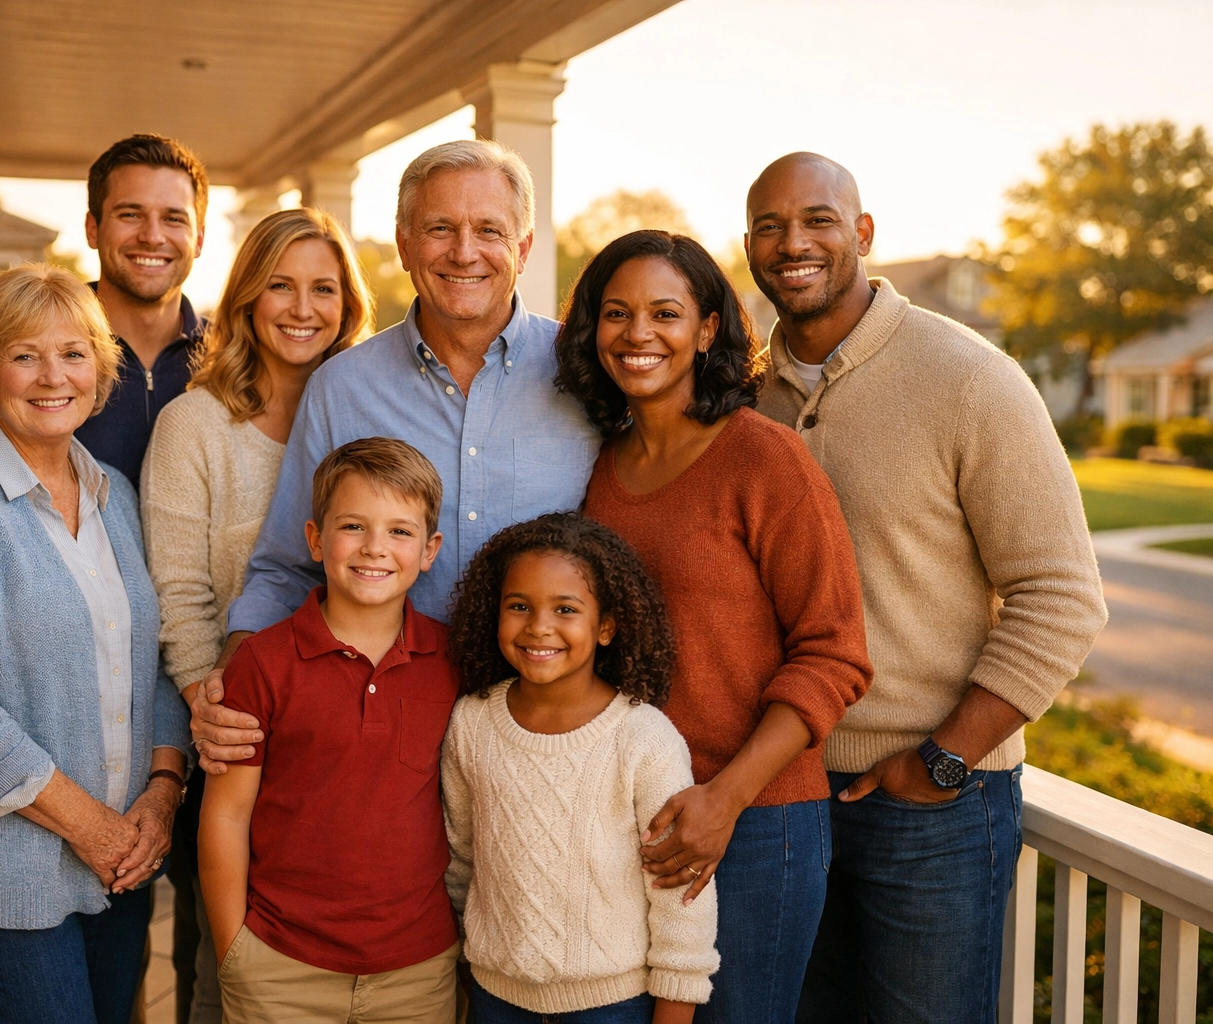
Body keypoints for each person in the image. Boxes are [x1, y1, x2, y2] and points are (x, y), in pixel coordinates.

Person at [737, 153, 1107, 1023]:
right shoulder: (746, 393)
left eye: (819, 219)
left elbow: (1062, 596)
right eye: (769, 225)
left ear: (863, 234)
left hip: (934, 808)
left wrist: (943, 759)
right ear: (748, 246)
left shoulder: (970, 379)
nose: (793, 243)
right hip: (784, 799)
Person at [189, 138, 600, 770]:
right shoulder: (342, 387)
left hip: (552, 735)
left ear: (522, 247)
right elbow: (287, 567)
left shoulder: (589, 373)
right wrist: (232, 685)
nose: (465, 251)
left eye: (489, 230)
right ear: (405, 244)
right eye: (440, 228)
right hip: (382, 736)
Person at [555, 230, 873, 1023]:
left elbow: (835, 655)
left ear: (706, 330)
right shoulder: (598, 467)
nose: (638, 334)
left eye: (666, 312)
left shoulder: (764, 460)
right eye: (617, 313)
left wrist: (724, 800)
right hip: (630, 816)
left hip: (758, 822)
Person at [0, 265, 190, 1024]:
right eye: (24, 355)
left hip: (119, 865)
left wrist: (162, 791)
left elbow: (151, 662)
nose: (53, 376)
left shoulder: (115, 494)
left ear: (101, 369)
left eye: (75, 353)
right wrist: (94, 828)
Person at [140, 207, 374, 1022]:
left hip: (359, 745)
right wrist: (213, 698)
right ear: (244, 298)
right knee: (225, 961)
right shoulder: (196, 425)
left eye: (323, 288)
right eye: (280, 286)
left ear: (349, 303)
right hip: (237, 738)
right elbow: (179, 590)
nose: (302, 308)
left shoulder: (370, 422)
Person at [199, 438, 460, 1024]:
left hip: (416, 970)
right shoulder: (263, 663)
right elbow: (226, 814)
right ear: (316, 539)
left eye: (400, 531)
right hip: (280, 965)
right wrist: (233, 952)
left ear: (429, 550)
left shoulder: (450, 663)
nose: (375, 548)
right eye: (353, 526)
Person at [443, 512, 720, 1024]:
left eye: (565, 608)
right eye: (519, 606)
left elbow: (682, 895)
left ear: (607, 627)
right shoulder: (472, 721)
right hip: (494, 999)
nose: (539, 626)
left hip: (614, 1006)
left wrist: (674, 1010)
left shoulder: (644, 738)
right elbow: (462, 856)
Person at [0, 133, 209, 487]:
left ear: (198, 239)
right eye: (131, 214)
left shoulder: (231, 360)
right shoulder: (20, 348)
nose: (152, 236)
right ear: (92, 228)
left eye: (174, 219)